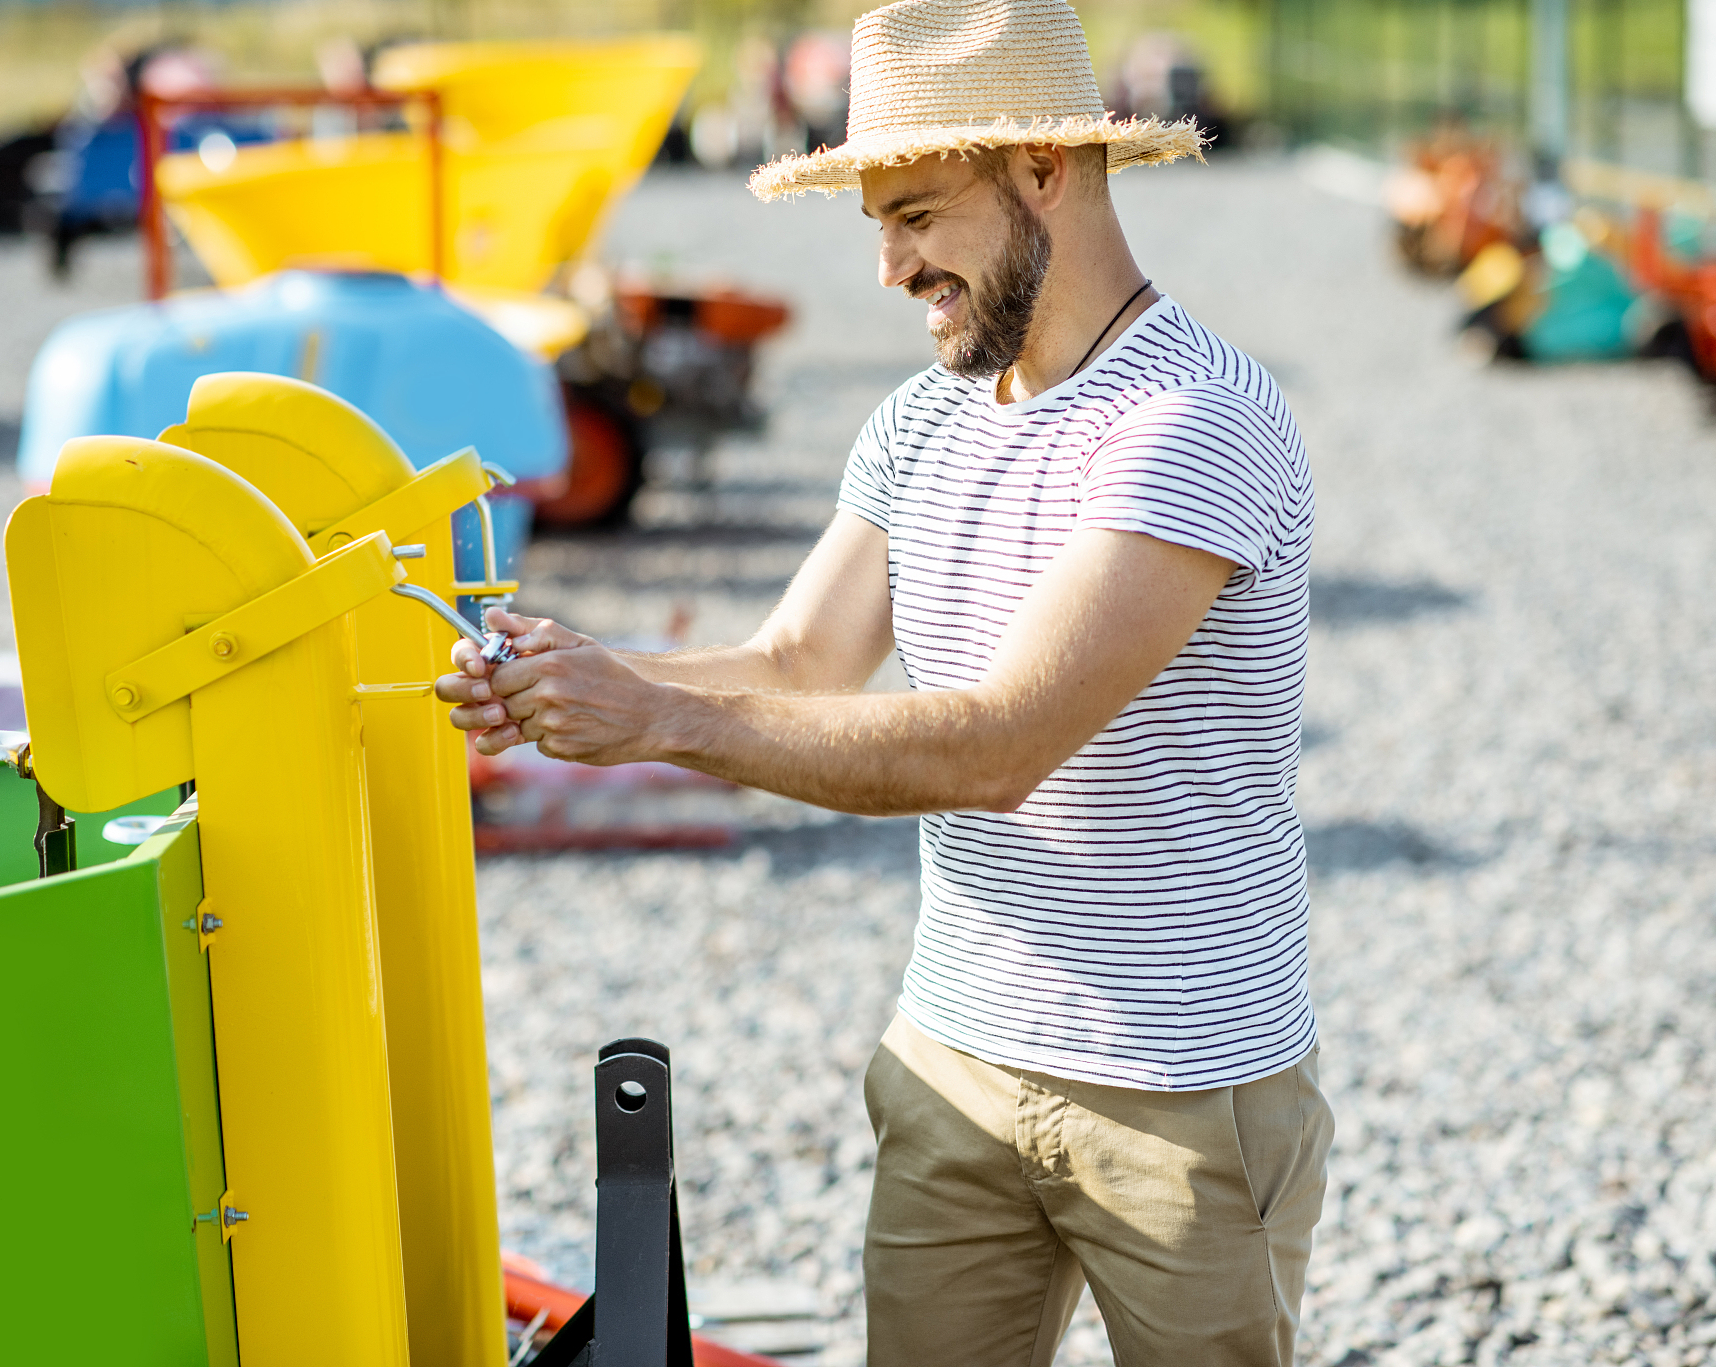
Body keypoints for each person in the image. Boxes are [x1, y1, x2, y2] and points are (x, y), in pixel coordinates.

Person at [436, 0, 1331, 1361]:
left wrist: (656, 718)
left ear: (1044, 168)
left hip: (1183, 1089)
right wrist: (578, 678)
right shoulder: (922, 419)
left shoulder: (1189, 420)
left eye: (916, 213)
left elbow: (997, 747)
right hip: (952, 1061)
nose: (890, 267)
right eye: (877, 224)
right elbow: (797, 662)